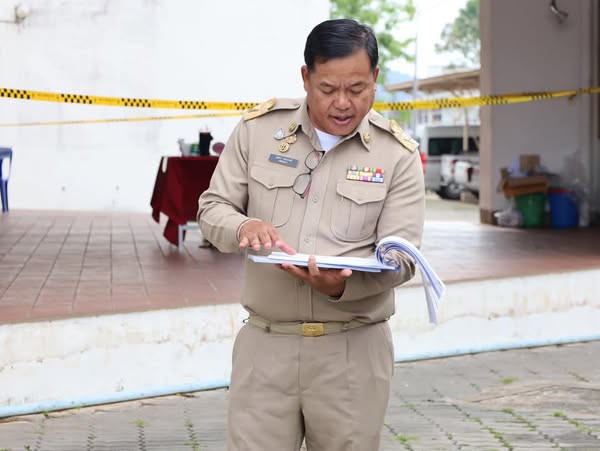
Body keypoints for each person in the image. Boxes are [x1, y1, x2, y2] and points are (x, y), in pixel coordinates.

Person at [198, 18, 424, 451]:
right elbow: (212, 208)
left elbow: (404, 258)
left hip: (352, 352)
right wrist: (243, 225)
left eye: (357, 89)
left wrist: (341, 286)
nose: (343, 103)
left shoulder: (396, 154)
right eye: (327, 89)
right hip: (266, 347)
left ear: (376, 78)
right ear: (305, 77)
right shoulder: (258, 131)